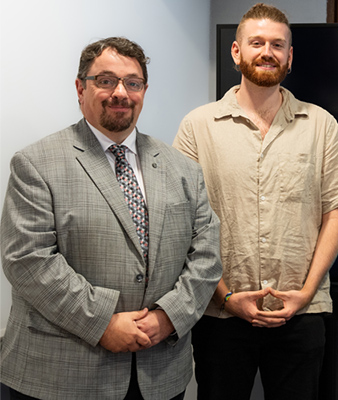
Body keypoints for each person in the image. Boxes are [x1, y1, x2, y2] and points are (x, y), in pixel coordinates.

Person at [0, 37, 222, 400]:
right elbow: (27, 261)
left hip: (159, 372)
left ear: (144, 91)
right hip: (63, 376)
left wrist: (167, 317)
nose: (121, 92)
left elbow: (207, 256)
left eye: (132, 83)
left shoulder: (183, 169)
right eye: (105, 80)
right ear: (80, 88)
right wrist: (102, 321)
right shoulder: (36, 163)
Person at [173, 4, 338, 399]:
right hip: (219, 313)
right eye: (256, 42)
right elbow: (182, 220)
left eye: (278, 44)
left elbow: (336, 212)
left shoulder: (321, 125)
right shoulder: (197, 126)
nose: (267, 52)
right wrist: (224, 295)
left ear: (290, 56)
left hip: (301, 312)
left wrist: (307, 292)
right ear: (236, 52)